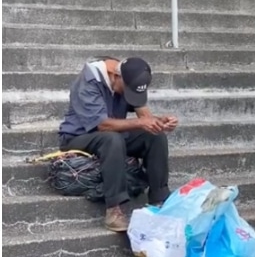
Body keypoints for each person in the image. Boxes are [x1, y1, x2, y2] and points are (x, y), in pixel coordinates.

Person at [58, 56, 179, 232]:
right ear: (115, 76)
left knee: (154, 135)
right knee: (112, 137)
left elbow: (143, 115)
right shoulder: (88, 82)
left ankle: (160, 199)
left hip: (110, 136)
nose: (128, 96)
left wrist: (159, 122)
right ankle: (115, 209)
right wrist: (141, 123)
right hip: (77, 137)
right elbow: (102, 125)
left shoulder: (124, 76)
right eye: (127, 91)